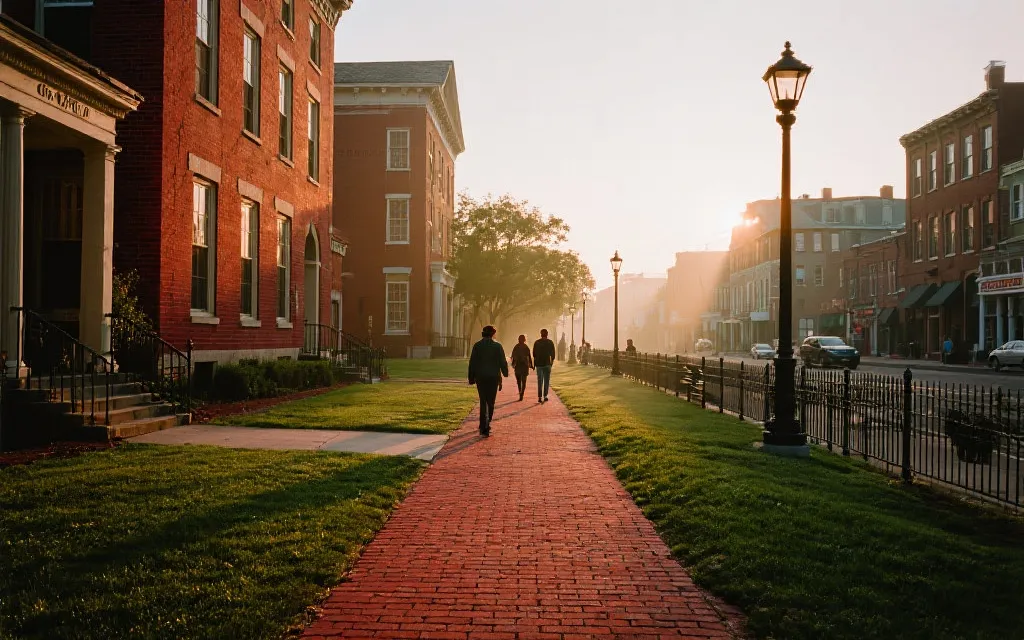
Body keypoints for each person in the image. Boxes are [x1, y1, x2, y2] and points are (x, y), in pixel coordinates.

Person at [467, 325, 509, 436]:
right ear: (493, 334)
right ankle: (487, 422)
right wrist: (505, 373)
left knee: (483, 400)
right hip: (493, 377)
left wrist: (471, 377)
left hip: (481, 377)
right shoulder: (497, 346)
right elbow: (502, 361)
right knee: (491, 401)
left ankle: (483, 425)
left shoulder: (477, 346)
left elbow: (473, 363)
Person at [533, 329, 556, 403]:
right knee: (546, 380)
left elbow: (534, 354)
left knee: (540, 381)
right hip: (547, 364)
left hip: (539, 365)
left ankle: (539, 396)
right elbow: (553, 355)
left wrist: (535, 363)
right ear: (547, 334)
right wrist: (551, 363)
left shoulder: (537, 342)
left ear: (541, 334)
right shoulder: (550, 342)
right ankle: (545, 395)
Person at [510, 334, 534, 401]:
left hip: (518, 366)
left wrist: (513, 364)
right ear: (524, 340)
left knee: (518, 381)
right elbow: (529, 357)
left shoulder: (516, 347)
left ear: (518, 339)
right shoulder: (526, 347)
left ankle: (520, 391)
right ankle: (522, 393)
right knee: (524, 381)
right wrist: (531, 365)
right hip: (524, 366)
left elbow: (513, 356)